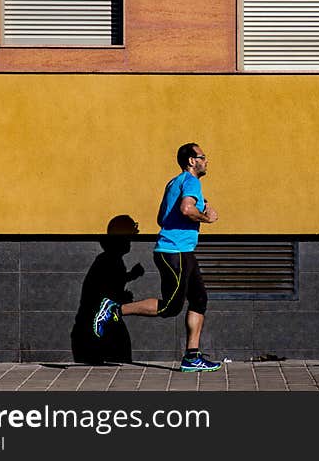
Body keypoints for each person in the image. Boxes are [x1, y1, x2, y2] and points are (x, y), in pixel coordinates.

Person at [92, 143, 222, 372]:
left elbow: (162, 218)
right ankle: (114, 309)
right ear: (192, 161)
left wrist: (202, 205)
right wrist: (206, 217)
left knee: (199, 300)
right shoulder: (191, 182)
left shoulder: (175, 182)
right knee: (170, 307)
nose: (206, 160)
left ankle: (192, 356)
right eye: (202, 157)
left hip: (182, 252)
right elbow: (185, 209)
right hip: (175, 252)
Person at [71, 215, 144, 364]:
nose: (131, 242)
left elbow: (111, 282)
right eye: (129, 237)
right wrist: (123, 295)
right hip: (94, 329)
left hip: (95, 325)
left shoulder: (110, 259)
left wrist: (130, 277)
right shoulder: (110, 260)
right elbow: (105, 289)